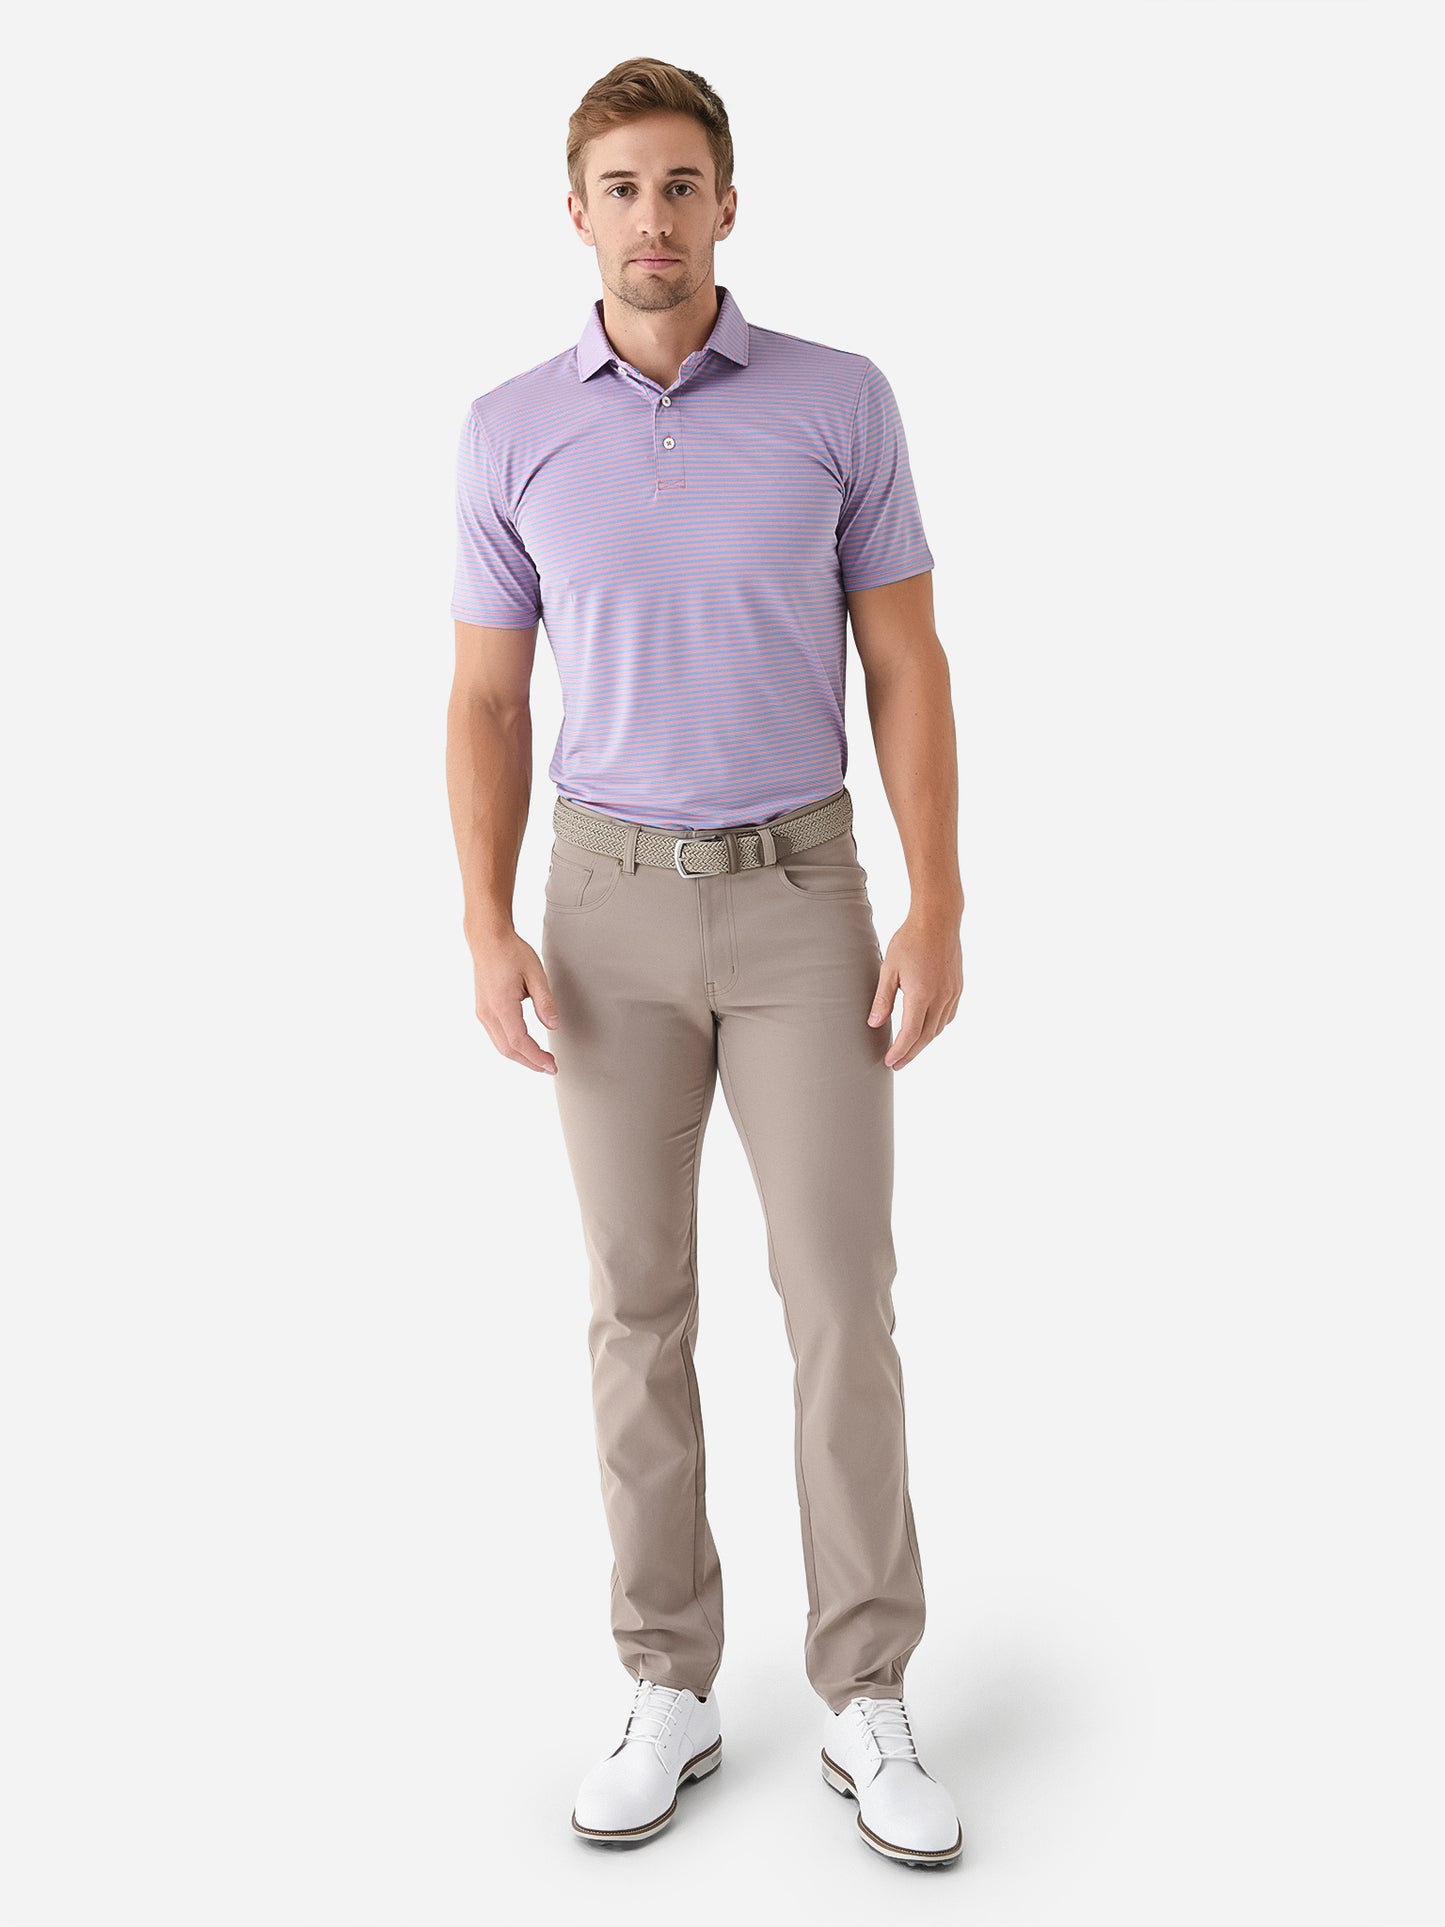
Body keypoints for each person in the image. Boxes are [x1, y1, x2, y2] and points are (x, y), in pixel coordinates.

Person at [445, 56, 966, 1868]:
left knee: (838, 1300)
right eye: (621, 188)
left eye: (680, 186)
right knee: (634, 1305)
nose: (651, 219)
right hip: (603, 907)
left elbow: (904, 662)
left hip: (802, 896)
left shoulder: (837, 401)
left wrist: (937, 900)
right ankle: (667, 1680)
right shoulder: (510, 430)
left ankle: (863, 1692)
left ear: (726, 205)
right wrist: (485, 920)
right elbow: (487, 699)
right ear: (574, 213)